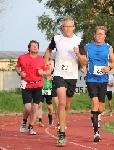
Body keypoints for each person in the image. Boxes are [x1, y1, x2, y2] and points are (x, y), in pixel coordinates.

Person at [44, 17, 87, 146]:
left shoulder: (79, 41)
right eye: (65, 26)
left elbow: (84, 61)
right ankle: (62, 133)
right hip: (59, 74)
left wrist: (78, 54)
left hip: (72, 76)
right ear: (62, 27)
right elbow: (48, 50)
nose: (67, 29)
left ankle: (62, 124)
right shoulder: (56, 39)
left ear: (74, 27)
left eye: (70, 26)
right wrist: (46, 59)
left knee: (67, 106)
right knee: (61, 103)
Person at [85, 26, 114, 142]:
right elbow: (83, 60)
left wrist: (110, 67)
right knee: (95, 102)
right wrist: (83, 66)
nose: (99, 36)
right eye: (98, 34)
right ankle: (96, 133)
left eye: (102, 34)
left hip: (103, 80)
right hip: (91, 79)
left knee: (101, 107)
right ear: (94, 35)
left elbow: (113, 62)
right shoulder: (88, 47)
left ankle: (95, 116)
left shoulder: (108, 48)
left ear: (104, 36)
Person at [15, 40, 50, 135]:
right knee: (28, 107)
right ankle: (24, 121)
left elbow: (48, 71)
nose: (35, 47)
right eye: (33, 45)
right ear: (29, 48)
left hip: (38, 85)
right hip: (26, 85)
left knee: (35, 107)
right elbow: (17, 67)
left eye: (36, 46)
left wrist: (43, 72)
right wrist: (19, 73)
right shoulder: (22, 57)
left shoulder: (42, 59)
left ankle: (31, 127)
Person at [37, 60, 53, 127]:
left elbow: (50, 75)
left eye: (48, 64)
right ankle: (40, 120)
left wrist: (49, 75)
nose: (46, 65)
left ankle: (50, 115)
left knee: (49, 106)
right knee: (39, 104)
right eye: (45, 64)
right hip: (41, 89)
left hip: (48, 90)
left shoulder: (51, 70)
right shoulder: (41, 69)